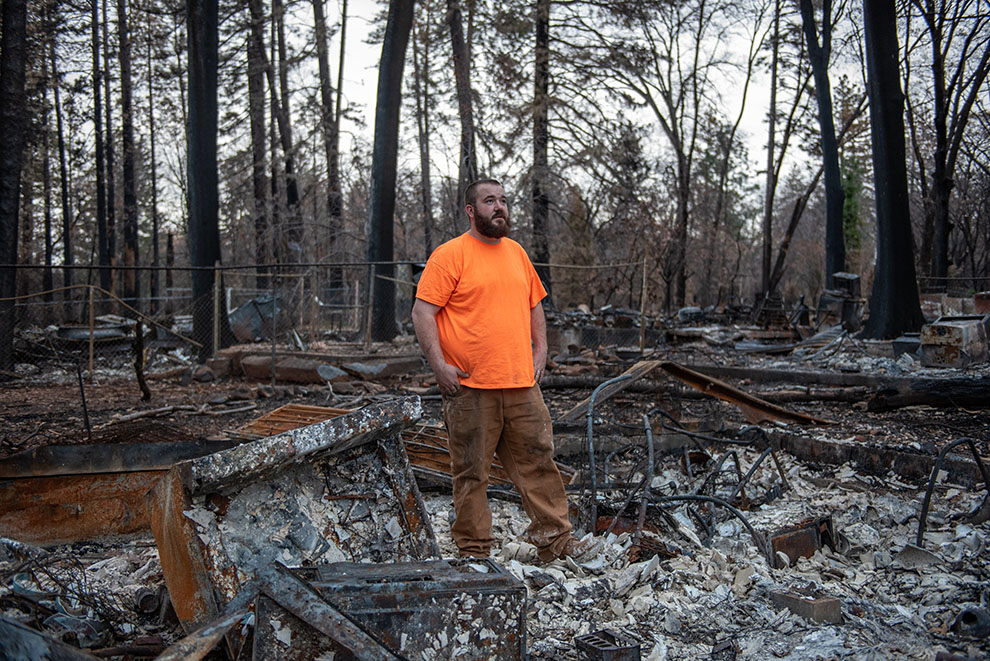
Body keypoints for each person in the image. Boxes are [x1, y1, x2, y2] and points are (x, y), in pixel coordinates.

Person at [412, 178, 592, 562]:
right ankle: (475, 553)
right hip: (469, 386)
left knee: (538, 462)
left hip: (521, 383)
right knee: (471, 472)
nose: (499, 207)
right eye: (489, 201)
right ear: (471, 210)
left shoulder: (516, 254)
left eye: (504, 201)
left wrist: (541, 350)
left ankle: (557, 542)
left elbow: (534, 305)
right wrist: (438, 365)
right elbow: (422, 312)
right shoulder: (450, 255)